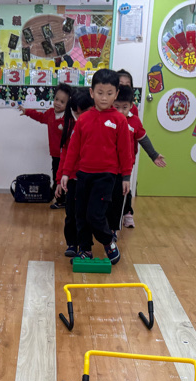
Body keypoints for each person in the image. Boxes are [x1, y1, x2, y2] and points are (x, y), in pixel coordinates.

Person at [59, 69, 133, 265]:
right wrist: (66, 173)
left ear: (116, 94)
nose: (104, 98)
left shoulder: (119, 120)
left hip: (106, 177)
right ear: (92, 93)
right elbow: (73, 149)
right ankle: (85, 250)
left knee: (95, 215)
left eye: (109, 93)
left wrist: (126, 177)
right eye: (100, 93)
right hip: (83, 175)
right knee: (81, 215)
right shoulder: (83, 119)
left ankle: (108, 241)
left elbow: (125, 150)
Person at [111, 84, 166, 231]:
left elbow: (143, 139)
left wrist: (154, 155)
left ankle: (114, 230)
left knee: (120, 199)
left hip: (124, 168)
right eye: (116, 107)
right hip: (107, 167)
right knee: (105, 198)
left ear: (131, 106)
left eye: (124, 107)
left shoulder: (134, 121)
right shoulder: (108, 120)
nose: (120, 111)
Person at [19, 84, 72, 206]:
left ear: (68, 103)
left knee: (66, 177)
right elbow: (40, 117)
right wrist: (27, 112)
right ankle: (60, 198)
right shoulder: (50, 113)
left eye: (62, 102)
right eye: (56, 99)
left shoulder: (69, 119)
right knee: (56, 175)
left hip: (67, 155)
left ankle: (65, 200)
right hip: (55, 153)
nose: (58, 103)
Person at [56, 88, 93, 258]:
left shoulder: (96, 126)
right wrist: (59, 179)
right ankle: (72, 243)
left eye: (82, 112)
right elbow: (65, 154)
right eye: (75, 113)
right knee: (71, 213)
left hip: (89, 178)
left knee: (86, 214)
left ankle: (85, 246)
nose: (79, 116)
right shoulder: (71, 126)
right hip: (71, 179)